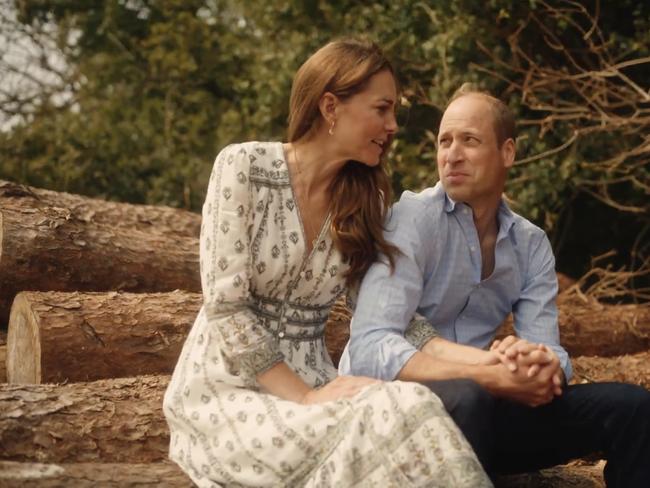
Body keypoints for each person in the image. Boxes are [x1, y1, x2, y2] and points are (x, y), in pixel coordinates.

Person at [163, 40, 491, 487]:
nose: (393, 125)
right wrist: (305, 397)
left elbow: (384, 309)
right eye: (382, 109)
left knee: (412, 406)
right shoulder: (242, 166)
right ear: (331, 106)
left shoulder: (367, 197)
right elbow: (226, 307)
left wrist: (482, 364)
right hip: (226, 391)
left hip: (319, 382)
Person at [340, 84, 650, 487]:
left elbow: (549, 346)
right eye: (444, 141)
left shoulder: (530, 243)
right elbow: (370, 345)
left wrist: (539, 364)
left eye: (469, 140)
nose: (452, 154)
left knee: (633, 408)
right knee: (469, 397)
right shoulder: (412, 220)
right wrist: (485, 372)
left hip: (486, 408)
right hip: (396, 412)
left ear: (507, 153)